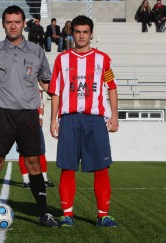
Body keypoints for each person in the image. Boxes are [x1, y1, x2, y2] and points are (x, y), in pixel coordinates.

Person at [0, 5, 59, 228]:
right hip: (1, 115)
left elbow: (46, 82)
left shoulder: (36, 51)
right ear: (3, 24)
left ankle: (43, 214)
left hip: (28, 115)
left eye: (17, 21)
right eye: (9, 21)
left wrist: (61, 97)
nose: (13, 25)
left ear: (24, 23)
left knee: (34, 163)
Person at [48, 15, 119, 228]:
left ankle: (102, 215)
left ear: (91, 34)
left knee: (101, 168)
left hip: (95, 120)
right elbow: (55, 92)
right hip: (69, 119)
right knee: (67, 168)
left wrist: (114, 115)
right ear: (72, 33)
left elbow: (112, 87)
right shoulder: (62, 59)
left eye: (85, 32)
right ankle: (67, 214)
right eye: (77, 31)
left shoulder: (103, 59)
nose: (81, 35)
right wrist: (53, 119)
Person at [18, 91, 54, 188]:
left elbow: (41, 107)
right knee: (23, 153)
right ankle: (26, 180)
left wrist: (40, 117)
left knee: (41, 152)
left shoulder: (37, 92)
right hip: (22, 125)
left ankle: (44, 180)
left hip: (36, 125)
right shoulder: (18, 89)